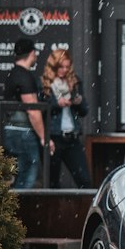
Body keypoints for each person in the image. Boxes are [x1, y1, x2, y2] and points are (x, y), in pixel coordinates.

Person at [3, 38, 52, 188]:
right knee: (27, 177)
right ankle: (20, 210)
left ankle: (15, 208)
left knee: (20, 175)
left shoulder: (13, 74)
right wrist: (45, 138)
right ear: (32, 53)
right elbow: (33, 111)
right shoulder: (24, 76)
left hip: (11, 130)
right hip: (22, 132)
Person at [40, 47, 91, 188]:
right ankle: (53, 210)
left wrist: (78, 102)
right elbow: (40, 110)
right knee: (52, 182)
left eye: (67, 67)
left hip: (72, 137)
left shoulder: (74, 82)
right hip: (53, 137)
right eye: (60, 67)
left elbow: (84, 111)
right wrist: (57, 104)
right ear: (53, 66)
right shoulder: (45, 84)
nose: (64, 70)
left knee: (84, 180)